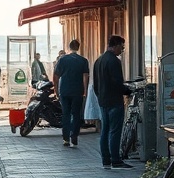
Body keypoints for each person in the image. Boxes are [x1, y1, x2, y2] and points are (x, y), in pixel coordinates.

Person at [93, 35, 133, 169]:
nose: (122, 50)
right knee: (115, 131)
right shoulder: (114, 61)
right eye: (122, 47)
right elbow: (117, 82)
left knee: (105, 130)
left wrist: (100, 97)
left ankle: (106, 159)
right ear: (115, 46)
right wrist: (128, 91)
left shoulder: (99, 61)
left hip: (103, 100)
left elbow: (96, 85)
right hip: (114, 100)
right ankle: (116, 159)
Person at [53, 39, 89, 148]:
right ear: (78, 47)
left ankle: (65, 139)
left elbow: (56, 77)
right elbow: (85, 77)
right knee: (76, 114)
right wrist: (85, 91)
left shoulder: (62, 60)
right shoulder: (83, 60)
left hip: (64, 90)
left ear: (69, 47)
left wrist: (56, 90)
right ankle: (74, 136)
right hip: (77, 91)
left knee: (66, 114)